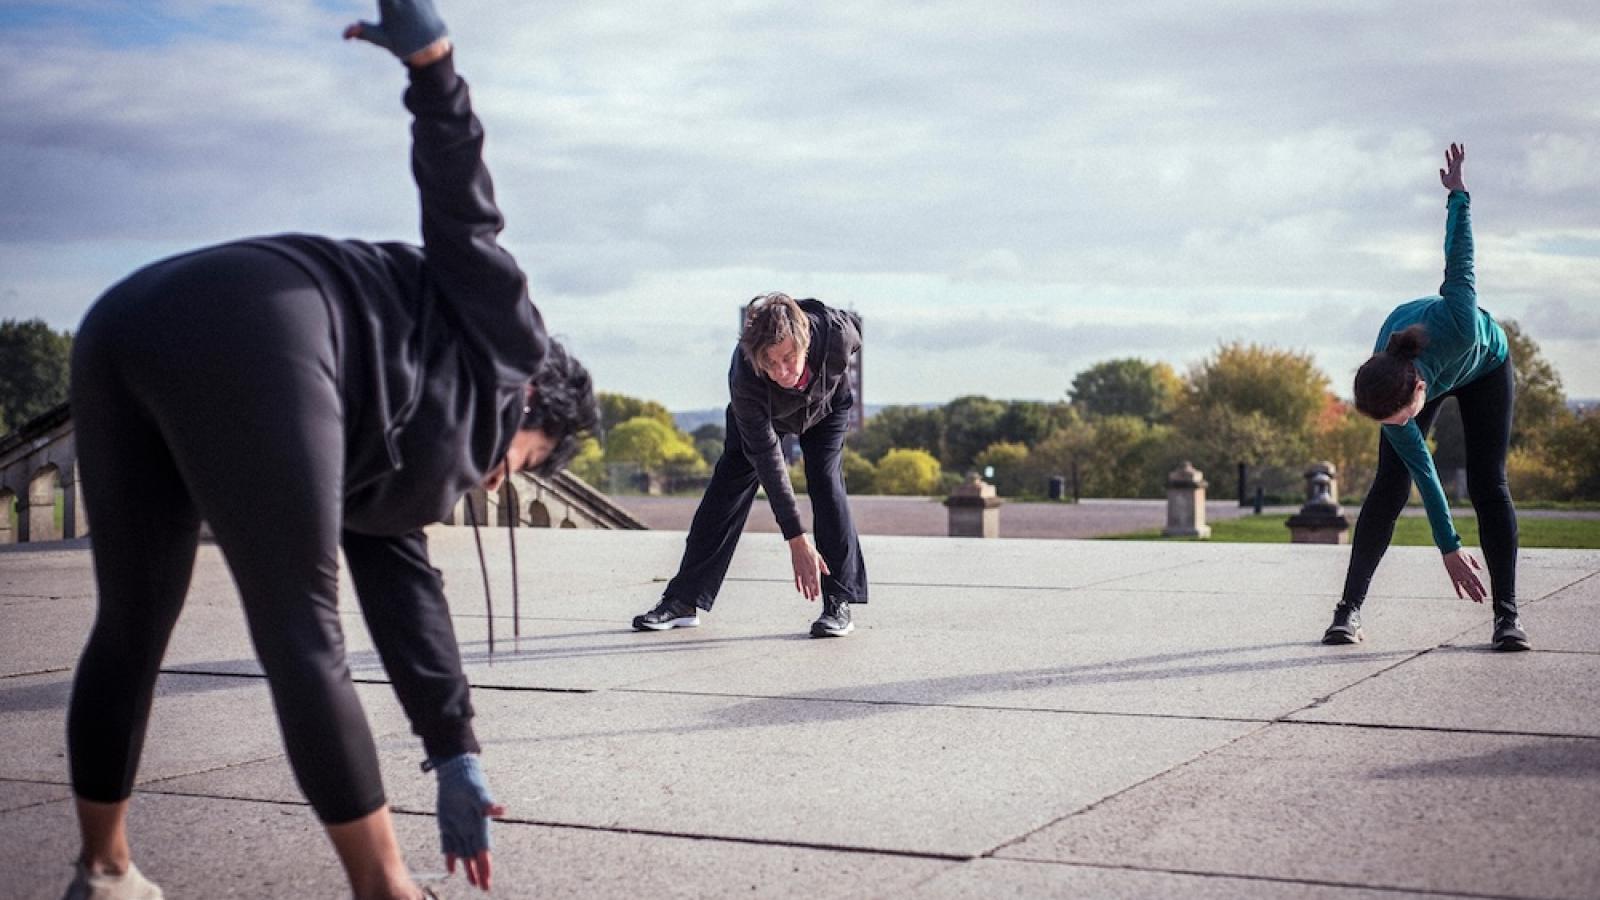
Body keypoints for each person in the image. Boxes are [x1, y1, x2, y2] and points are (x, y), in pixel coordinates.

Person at [61, 2, 598, 898]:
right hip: (266, 327)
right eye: (527, 460)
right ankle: (386, 891)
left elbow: (401, 580)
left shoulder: (397, 451)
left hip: (125, 319)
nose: (500, 480)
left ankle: (105, 870)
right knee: (302, 634)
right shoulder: (511, 345)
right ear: (536, 401)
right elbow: (467, 221)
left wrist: (453, 750)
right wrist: (435, 73)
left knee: (130, 625)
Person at [1322, 143, 1527, 652]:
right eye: (1392, 421)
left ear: (1419, 387)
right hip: (1413, 374)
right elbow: (1425, 475)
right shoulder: (1383, 384)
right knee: (1390, 483)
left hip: (1485, 366)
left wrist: (1458, 195)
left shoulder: (1457, 320)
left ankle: (1507, 617)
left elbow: (1460, 256)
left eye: (1404, 416)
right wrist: (1450, 547)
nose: (1403, 425)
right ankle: (1347, 611)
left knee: (1488, 485)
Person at [632, 293, 867, 637]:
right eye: (770, 364)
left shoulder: (836, 332)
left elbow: (855, 333)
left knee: (826, 483)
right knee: (724, 493)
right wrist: (796, 537)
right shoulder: (746, 376)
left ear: (805, 340)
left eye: (788, 358)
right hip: (763, 417)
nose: (782, 372)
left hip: (826, 411)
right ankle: (683, 600)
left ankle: (838, 601)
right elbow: (769, 461)